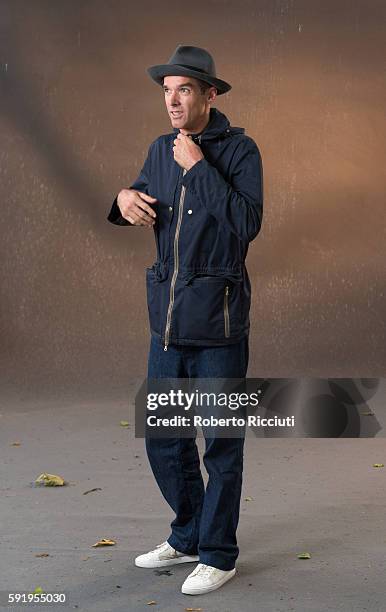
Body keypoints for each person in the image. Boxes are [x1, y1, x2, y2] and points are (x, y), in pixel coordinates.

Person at [107, 45, 263, 595]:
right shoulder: (158, 149)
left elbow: (245, 223)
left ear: (209, 94)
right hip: (167, 324)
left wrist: (198, 169)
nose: (172, 101)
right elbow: (135, 197)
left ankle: (219, 553)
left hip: (220, 325)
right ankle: (190, 534)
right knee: (165, 440)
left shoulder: (241, 151)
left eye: (184, 91)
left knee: (222, 443)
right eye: (166, 91)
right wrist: (123, 197)